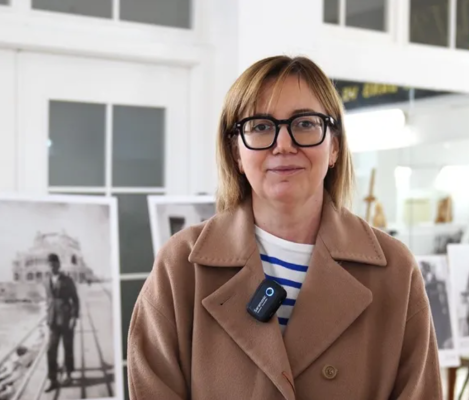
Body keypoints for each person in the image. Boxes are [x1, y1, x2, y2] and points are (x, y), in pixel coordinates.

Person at [127, 56, 442, 399]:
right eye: (261, 126)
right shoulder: (181, 266)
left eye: (305, 123)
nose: (284, 144)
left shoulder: (394, 271)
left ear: (334, 146)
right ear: (236, 152)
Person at [44, 253, 79, 392]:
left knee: (67, 347)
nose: (52, 267)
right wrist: (47, 314)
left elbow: (75, 299)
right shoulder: (46, 281)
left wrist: (74, 317)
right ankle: (52, 379)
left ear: (59, 265)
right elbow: (48, 300)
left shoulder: (67, 280)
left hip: (66, 318)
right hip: (52, 320)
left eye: (54, 264)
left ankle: (68, 374)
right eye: (50, 265)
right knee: (51, 349)